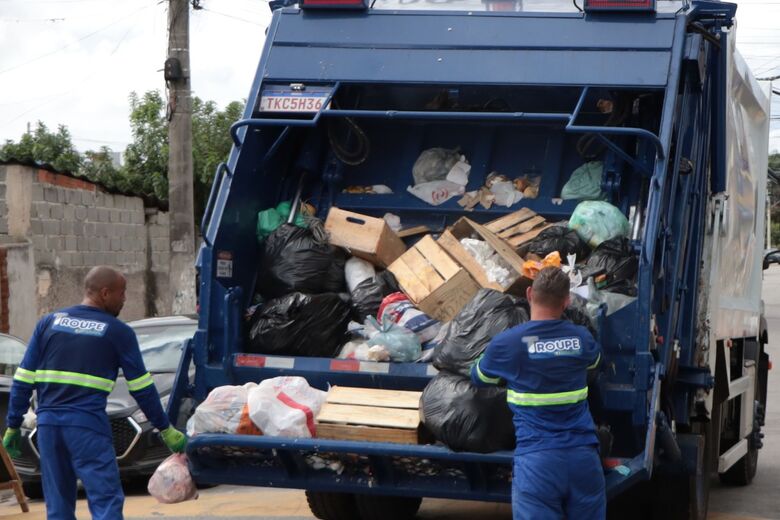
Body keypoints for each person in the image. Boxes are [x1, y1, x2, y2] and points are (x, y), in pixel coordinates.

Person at [1, 266, 187, 520]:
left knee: (57, 506)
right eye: (122, 294)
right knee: (105, 501)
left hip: (48, 427)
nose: (124, 300)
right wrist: (164, 427)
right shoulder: (117, 332)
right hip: (86, 425)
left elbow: (23, 379)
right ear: (105, 293)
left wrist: (12, 425)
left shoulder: (48, 323)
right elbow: (142, 388)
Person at [471, 267, 604, 520]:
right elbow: (595, 363)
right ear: (567, 301)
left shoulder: (507, 343)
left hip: (538, 462)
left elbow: (480, 377)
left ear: (530, 293)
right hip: (584, 459)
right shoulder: (581, 338)